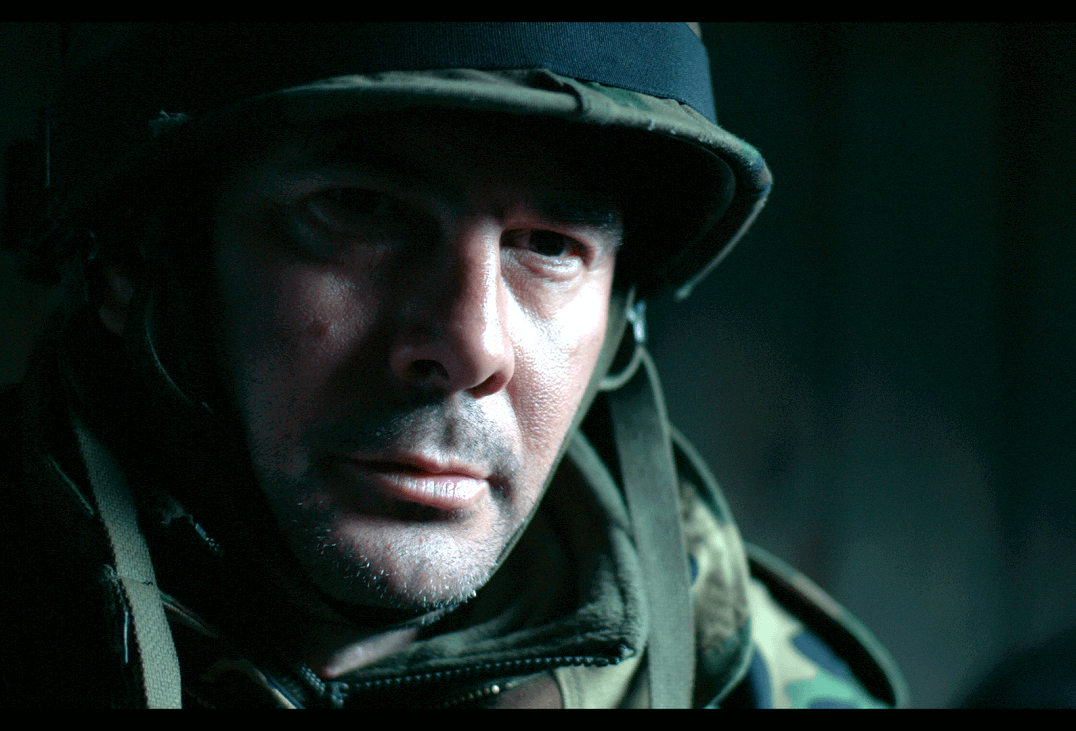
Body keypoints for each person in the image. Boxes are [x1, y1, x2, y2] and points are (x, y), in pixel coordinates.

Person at [0, 23, 907, 708]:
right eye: (360, 208)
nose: (472, 346)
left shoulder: (760, 684)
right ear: (133, 259)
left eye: (550, 245)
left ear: (619, 314)